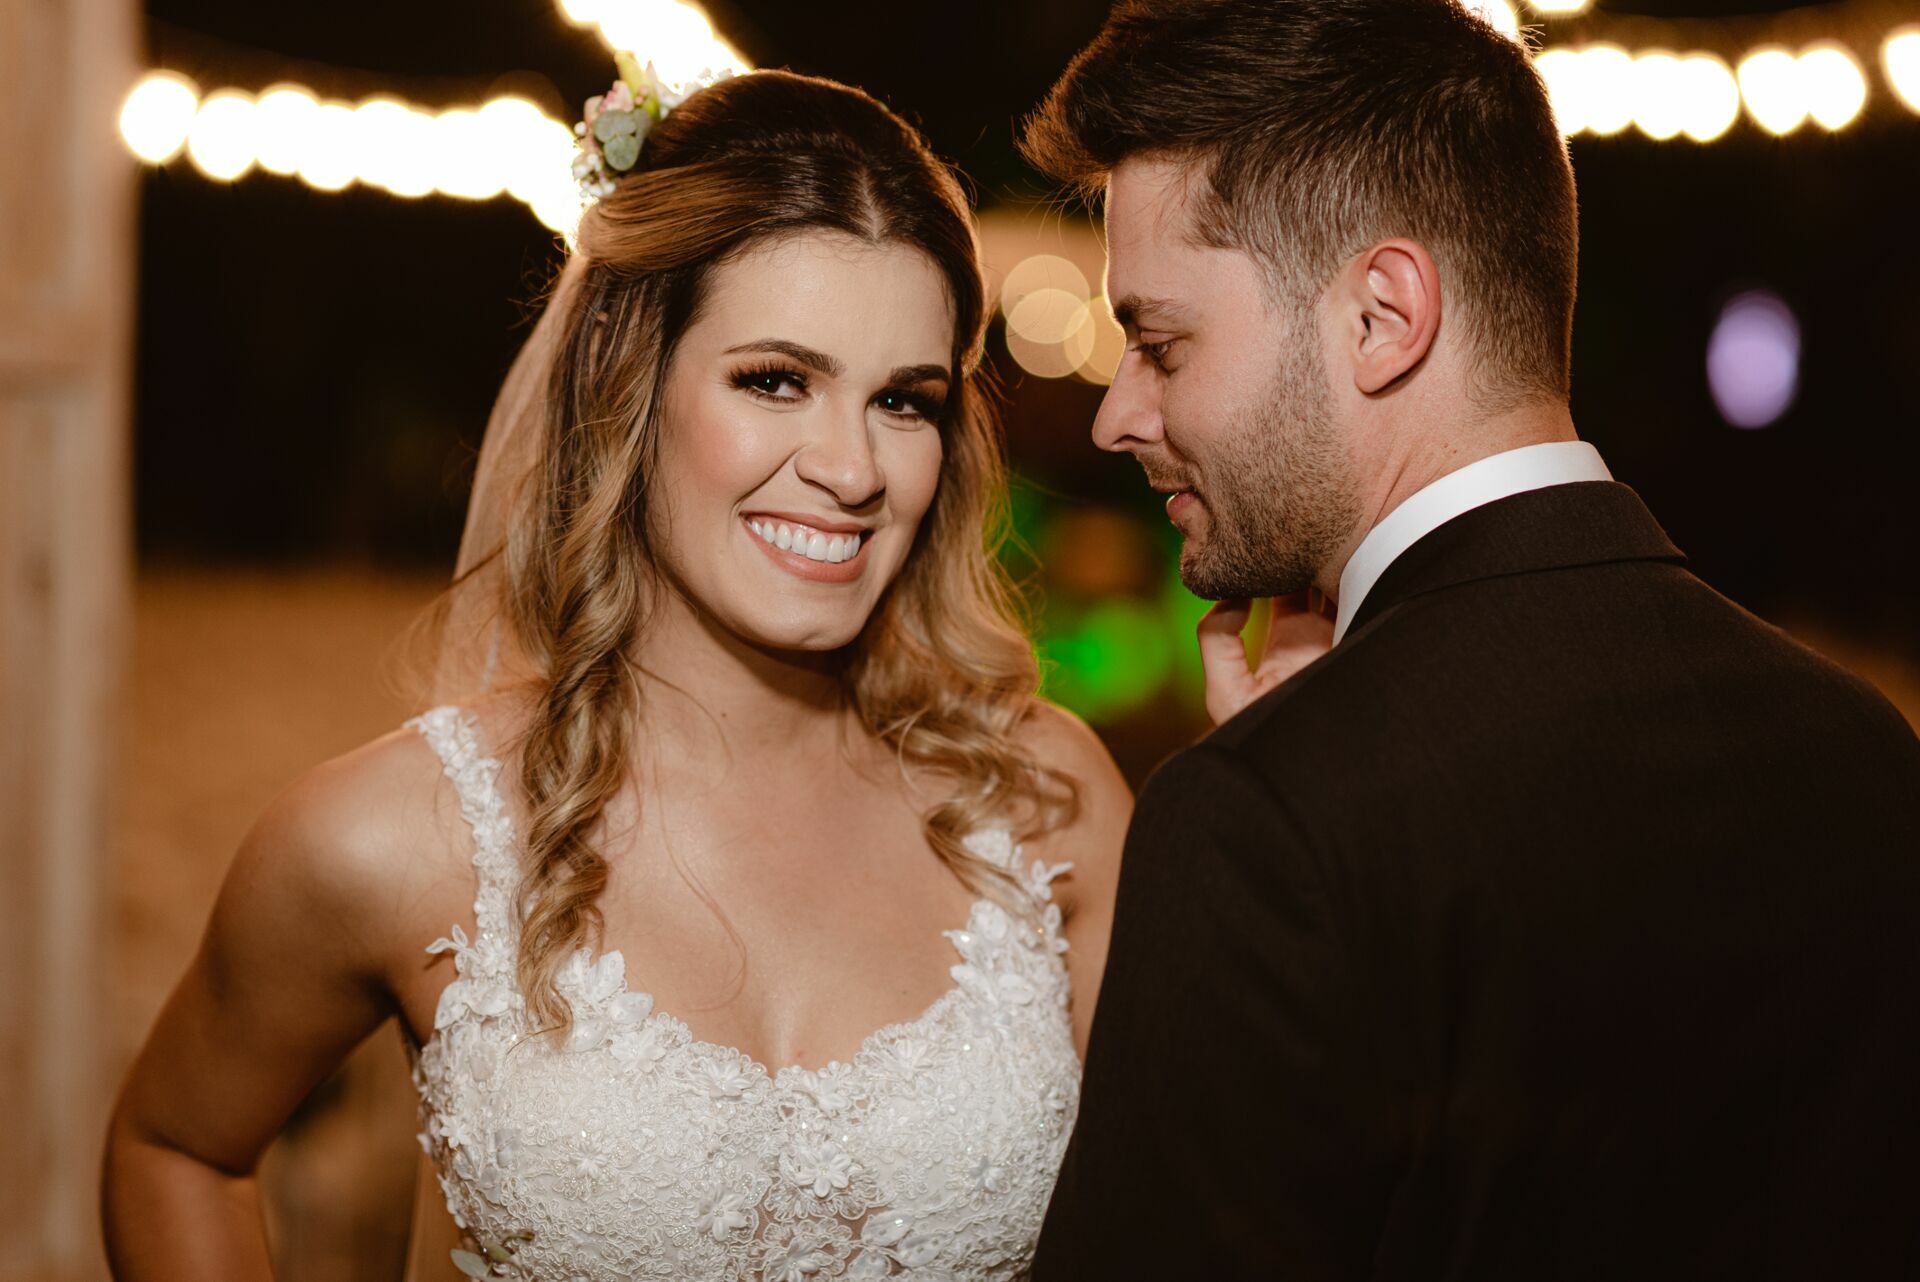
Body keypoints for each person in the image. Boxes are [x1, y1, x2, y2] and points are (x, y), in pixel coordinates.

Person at [102, 67, 1129, 1282]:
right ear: (627, 385)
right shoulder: (398, 838)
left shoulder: (1044, 804)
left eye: (904, 401)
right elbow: (176, 1148)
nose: (853, 468)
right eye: (775, 381)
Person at [1021, 1, 1920, 1277]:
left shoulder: (1269, 824)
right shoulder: (1865, 751)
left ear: (1385, 315)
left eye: (1160, 343)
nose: (1117, 414)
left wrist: (1288, 789)